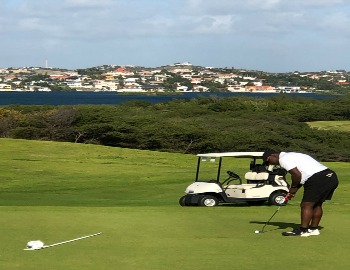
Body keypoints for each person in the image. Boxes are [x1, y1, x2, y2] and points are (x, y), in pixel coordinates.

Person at [262, 149, 339, 237]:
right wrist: (293, 190)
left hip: (318, 178)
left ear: (273, 155)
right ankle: (313, 229)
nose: (270, 164)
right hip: (331, 177)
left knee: (306, 205)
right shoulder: (293, 155)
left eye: (268, 161)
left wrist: (293, 188)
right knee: (317, 204)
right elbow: (303, 177)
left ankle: (303, 230)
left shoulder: (283, 159)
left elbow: (296, 175)